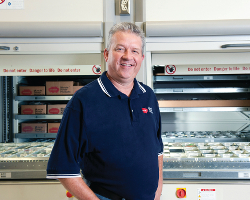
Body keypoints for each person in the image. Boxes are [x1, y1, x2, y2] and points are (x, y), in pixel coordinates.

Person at [46, 22, 163, 200]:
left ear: (141, 57)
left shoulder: (148, 96)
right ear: (107, 54)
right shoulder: (83, 101)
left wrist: (157, 193)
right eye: (120, 49)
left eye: (134, 51)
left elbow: (157, 151)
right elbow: (62, 167)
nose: (127, 56)